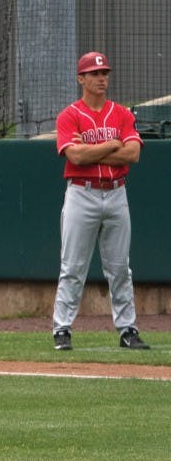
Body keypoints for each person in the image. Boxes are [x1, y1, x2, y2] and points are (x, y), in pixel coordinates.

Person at [52, 51, 148, 351]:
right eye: (94, 74)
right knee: (73, 267)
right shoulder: (69, 115)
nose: (101, 78)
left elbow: (133, 154)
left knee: (120, 268)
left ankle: (127, 329)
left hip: (117, 192)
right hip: (83, 193)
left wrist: (92, 149)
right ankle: (62, 329)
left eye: (104, 72)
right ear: (81, 78)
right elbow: (76, 156)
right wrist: (110, 144)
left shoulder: (121, 113)